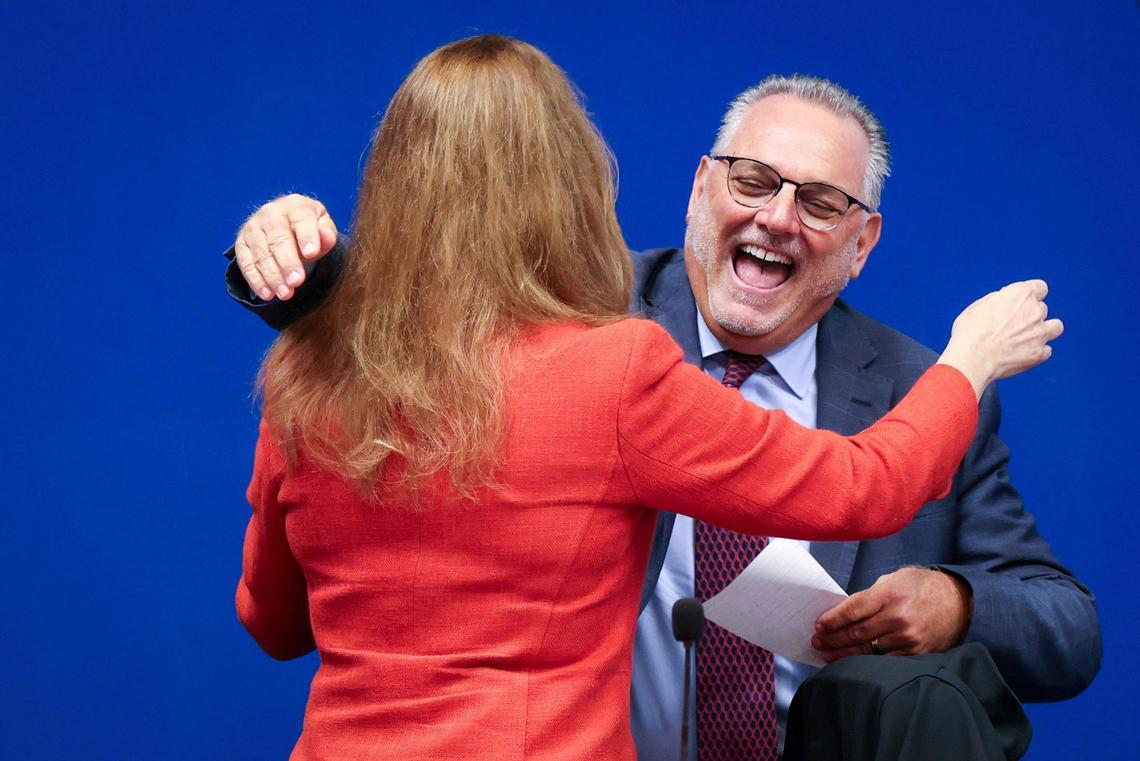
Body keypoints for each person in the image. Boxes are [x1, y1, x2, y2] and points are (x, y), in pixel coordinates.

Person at [227, 58, 1083, 760]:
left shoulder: (305, 370)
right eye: (754, 180)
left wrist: (326, 297)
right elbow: (870, 483)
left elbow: (274, 621)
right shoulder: (619, 357)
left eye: (820, 201)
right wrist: (970, 359)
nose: (779, 217)